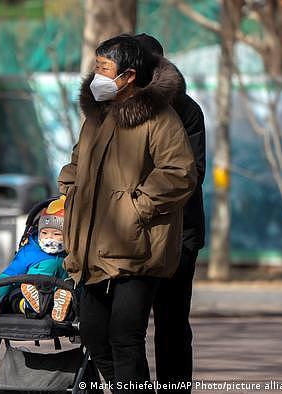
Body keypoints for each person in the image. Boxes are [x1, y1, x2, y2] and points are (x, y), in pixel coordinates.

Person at [57, 34, 197, 393]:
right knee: (92, 334)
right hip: (90, 246)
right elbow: (77, 162)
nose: (96, 74)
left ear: (129, 75)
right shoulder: (96, 115)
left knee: (125, 336)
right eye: (98, 65)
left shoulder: (161, 118)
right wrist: (70, 190)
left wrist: (136, 207)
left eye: (105, 67)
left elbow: (180, 172)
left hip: (137, 249)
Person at [135, 33, 206, 394]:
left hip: (179, 235)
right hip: (128, 235)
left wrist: (136, 204)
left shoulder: (186, 109)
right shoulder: (117, 107)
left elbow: (188, 175)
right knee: (124, 327)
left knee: (172, 324)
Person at [0, 196, 71, 322]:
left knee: (69, 289)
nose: (49, 238)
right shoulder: (29, 252)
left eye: (56, 234)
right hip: (27, 289)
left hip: (55, 295)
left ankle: (54, 304)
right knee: (15, 296)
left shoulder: (71, 256)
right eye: (44, 233)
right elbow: (7, 277)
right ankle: (29, 304)